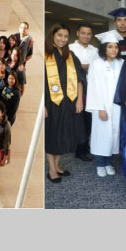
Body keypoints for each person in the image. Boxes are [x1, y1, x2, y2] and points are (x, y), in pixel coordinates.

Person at [44, 24, 84, 183]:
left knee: (63, 135)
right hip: (51, 103)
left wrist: (80, 100)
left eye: (65, 36)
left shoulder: (71, 55)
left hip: (69, 102)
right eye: (59, 35)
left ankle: (57, 164)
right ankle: (52, 169)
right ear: (53, 35)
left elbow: (80, 79)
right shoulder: (47, 55)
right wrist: (43, 105)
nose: (62, 39)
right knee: (52, 135)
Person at [86, 30, 125, 177]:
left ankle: (109, 162)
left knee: (114, 135)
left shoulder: (122, 63)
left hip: (117, 106)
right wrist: (100, 108)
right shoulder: (96, 64)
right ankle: (100, 164)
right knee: (101, 135)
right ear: (104, 48)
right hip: (101, 105)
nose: (113, 50)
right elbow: (93, 88)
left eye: (116, 47)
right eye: (110, 47)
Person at [69, 24, 97, 162]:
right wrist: (82, 68)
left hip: (91, 89)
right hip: (74, 88)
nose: (86, 36)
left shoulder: (95, 50)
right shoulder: (70, 48)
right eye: (83, 33)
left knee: (87, 120)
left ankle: (83, 149)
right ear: (78, 33)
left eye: (89, 34)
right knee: (76, 120)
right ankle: (78, 147)